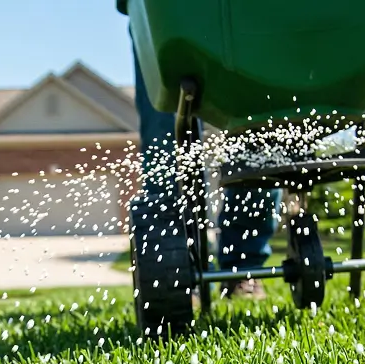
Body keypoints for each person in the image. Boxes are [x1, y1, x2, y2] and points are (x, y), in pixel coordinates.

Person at [118, 0, 281, 299]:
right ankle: (174, 273)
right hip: (159, 11)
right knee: (165, 143)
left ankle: (244, 267)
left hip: (246, 10)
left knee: (256, 124)